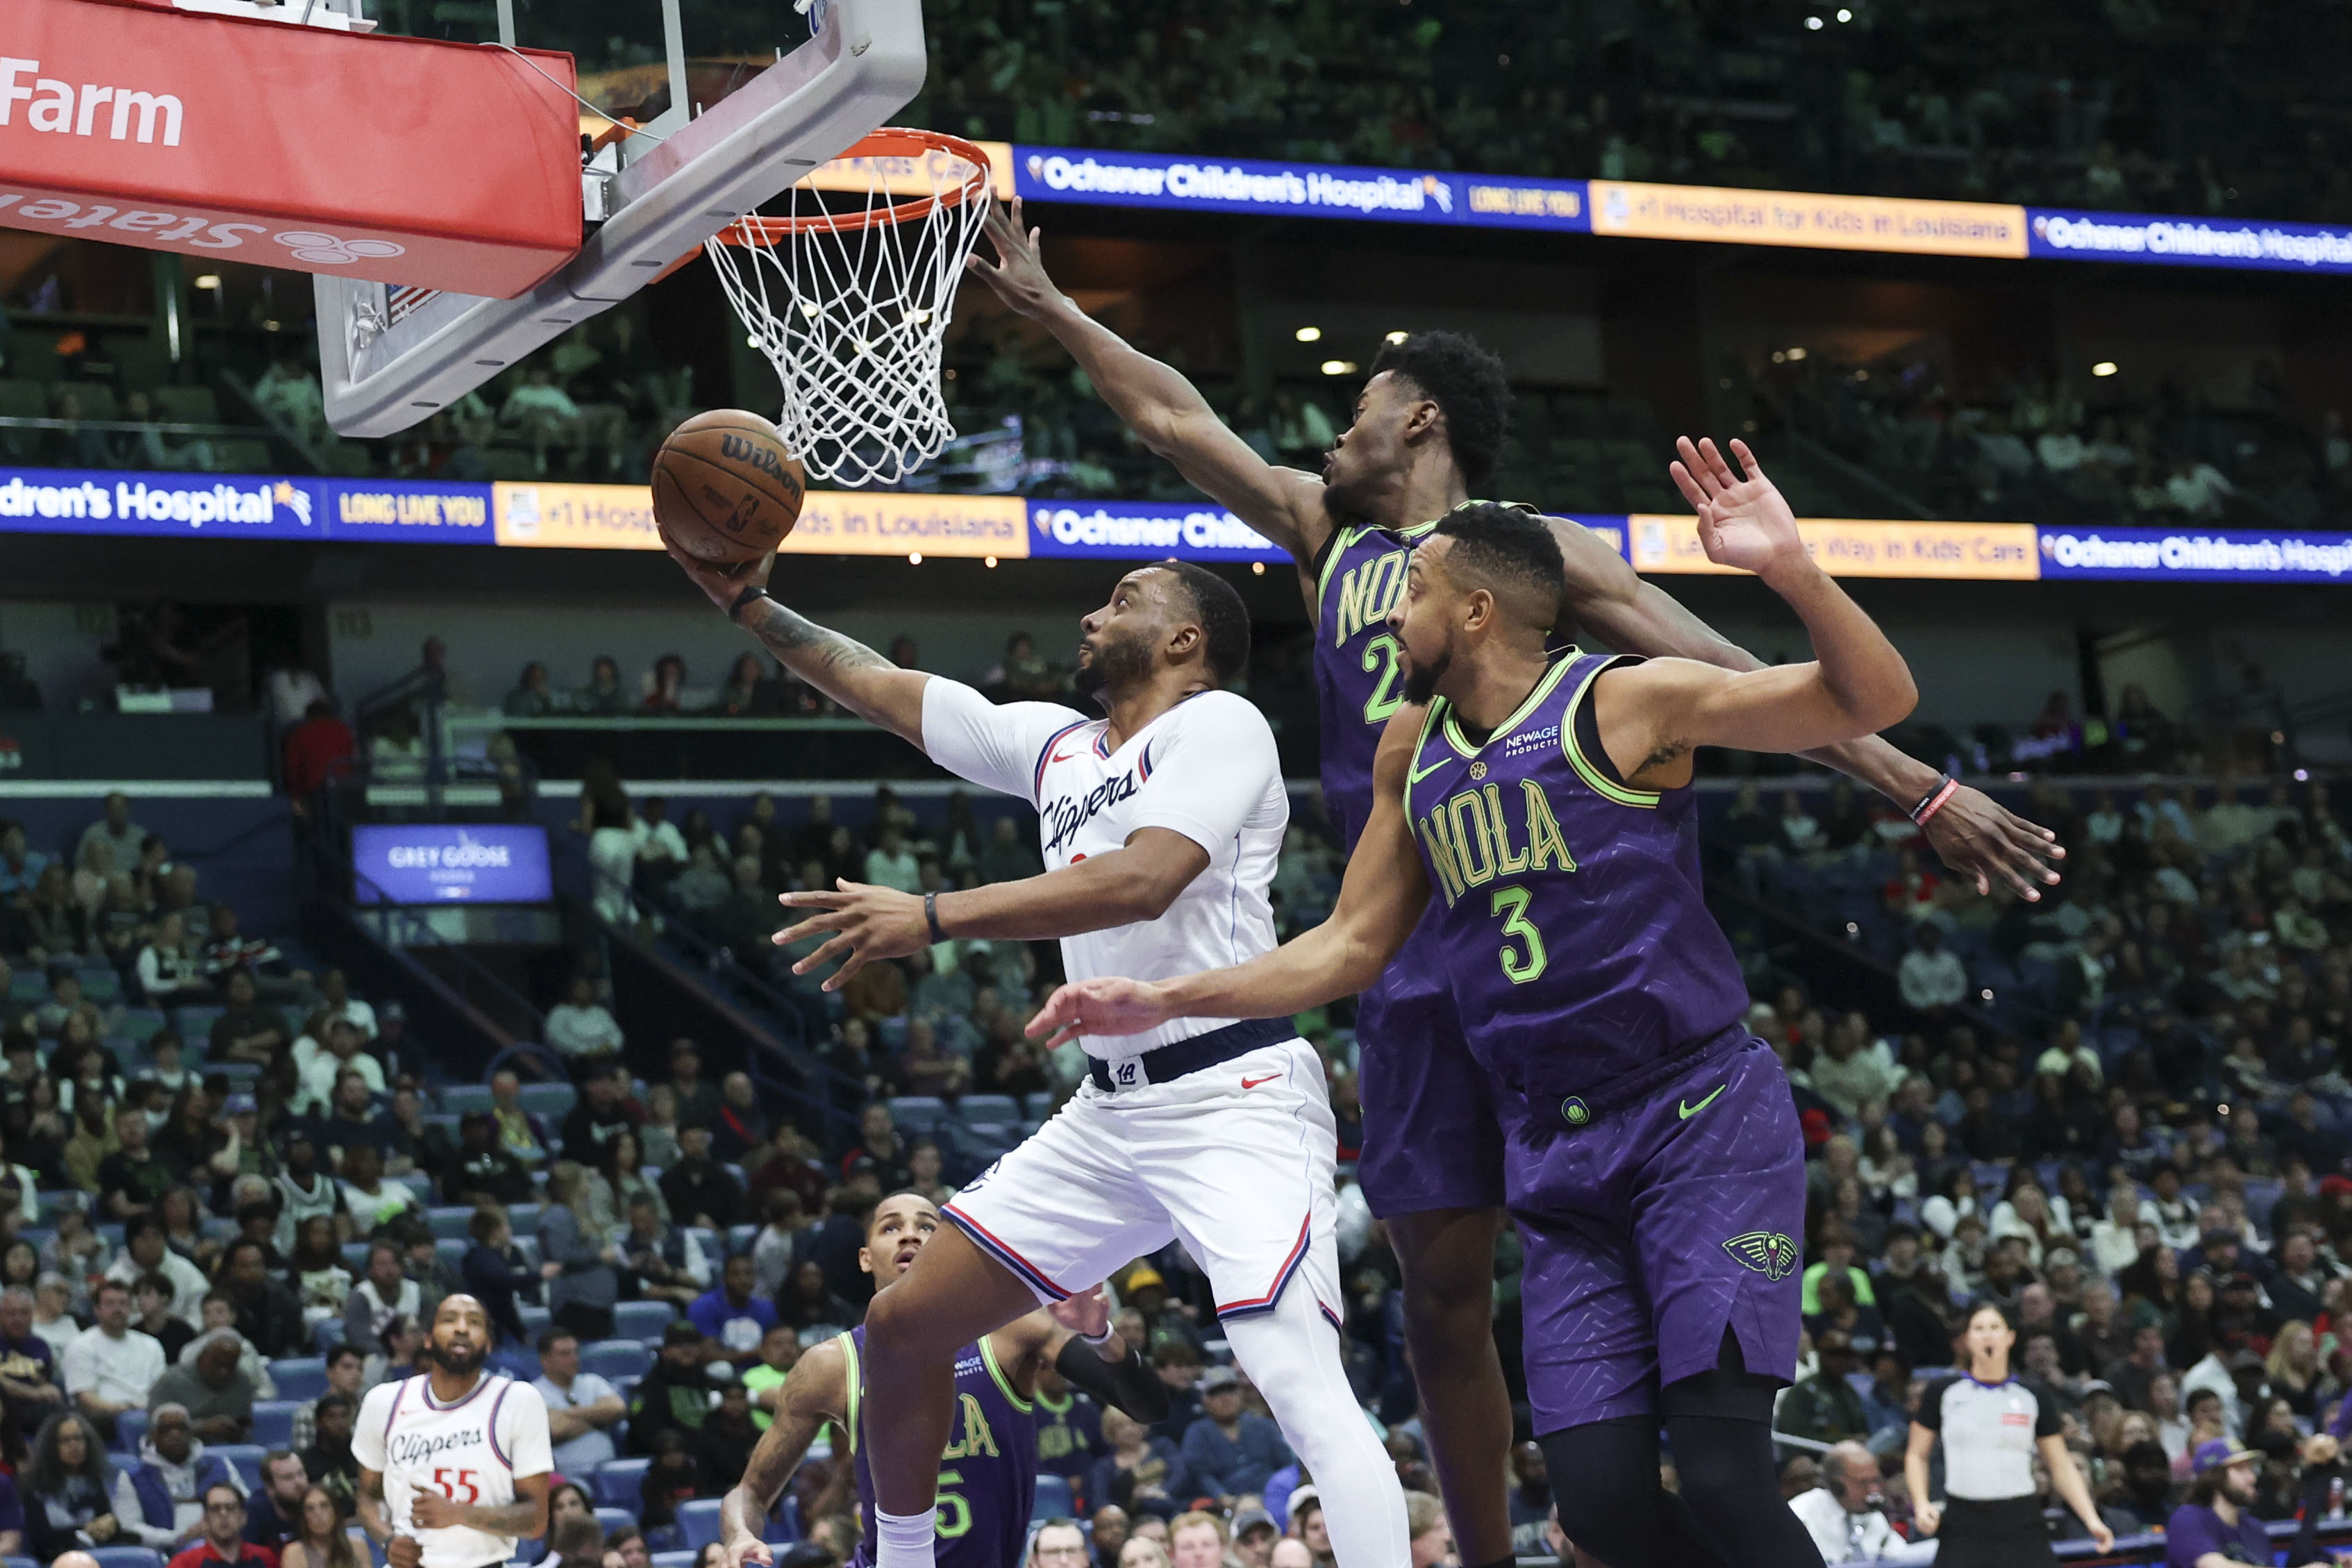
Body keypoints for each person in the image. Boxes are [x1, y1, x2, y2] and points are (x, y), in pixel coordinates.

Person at [967, 199, 2064, 1568]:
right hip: (1408, 922)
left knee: (1679, 1416)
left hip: (1557, 918)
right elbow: (1175, 426)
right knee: (1437, 1287)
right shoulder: (1327, 538)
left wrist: (1919, 788)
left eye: (1359, 408)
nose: (1332, 432)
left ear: (1420, 423)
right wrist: (1057, 309)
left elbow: (1731, 666)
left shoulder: (1535, 560)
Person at [1026, 476, 1919, 1568]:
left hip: (1694, 1118)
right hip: (1552, 1143)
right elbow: (1350, 945)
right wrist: (1163, 997)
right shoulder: (1412, 744)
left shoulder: (1625, 703)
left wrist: (1787, 566)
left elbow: (1868, 697)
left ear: (1477, 612)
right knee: (1595, 1506)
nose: (1386, 618)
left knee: (1727, 1470)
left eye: (1409, 590)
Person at [673, 526, 1401, 1568]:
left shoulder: (1220, 725)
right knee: (903, 1327)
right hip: (1109, 1110)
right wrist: (747, 601)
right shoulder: (1059, 748)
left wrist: (930, 913)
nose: (1091, 614)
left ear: (1184, 637)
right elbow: (877, 684)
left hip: (1230, 1089)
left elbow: (1142, 877)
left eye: (1121, 596)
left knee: (1296, 1377)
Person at [714, 1192, 1171, 1568]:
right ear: (864, 1258)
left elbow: (1150, 1407)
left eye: (926, 1226)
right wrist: (738, 1536)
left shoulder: (1012, 1330)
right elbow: (750, 1492)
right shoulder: (831, 1364)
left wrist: (1099, 1334)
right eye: (890, 1226)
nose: (909, 1233)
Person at [1905, 1303, 2114, 1566]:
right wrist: (1921, 1502)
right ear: (1967, 1339)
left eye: (1995, 1328)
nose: (1988, 1336)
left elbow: (2060, 1464)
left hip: (2021, 1520)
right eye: (1979, 1329)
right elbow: (1917, 1454)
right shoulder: (1943, 1392)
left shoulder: (2032, 1394)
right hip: (1963, 1523)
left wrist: (2091, 1519)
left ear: (2010, 1337)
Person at [353, 1295, 553, 1568]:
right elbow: (368, 1496)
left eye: (474, 1322)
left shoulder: (517, 1400)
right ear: (428, 1339)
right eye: (449, 1319)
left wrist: (458, 1513)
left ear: (489, 1343)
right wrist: (388, 1540)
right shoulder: (383, 1402)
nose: (462, 1328)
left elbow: (536, 1519)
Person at [115, 1400, 247, 1546]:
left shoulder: (220, 1465)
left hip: (222, 1545)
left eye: (181, 1428)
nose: (175, 1434)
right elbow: (130, 1527)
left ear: (191, 1433)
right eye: (166, 1429)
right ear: (153, 1436)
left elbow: (245, 1507)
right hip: (165, 1554)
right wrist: (178, 1538)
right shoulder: (133, 1477)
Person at [63, 1278, 166, 1428]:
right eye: (110, 1304)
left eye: (123, 1303)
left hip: (148, 1415)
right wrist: (126, 1409)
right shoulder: (80, 1345)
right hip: (104, 1419)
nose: (117, 1309)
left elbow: (160, 1392)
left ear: (131, 1309)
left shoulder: (151, 1345)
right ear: (97, 1310)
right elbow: (85, 1397)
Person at [1181, 1366, 1290, 1504]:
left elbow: (1286, 1465)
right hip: (1226, 1505)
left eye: (1230, 1390)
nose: (1225, 1398)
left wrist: (1280, 1491)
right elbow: (1201, 1476)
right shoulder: (1197, 1433)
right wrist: (1223, 1498)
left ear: (1240, 1394)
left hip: (1276, 1497)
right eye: (1216, 1393)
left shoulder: (1264, 1426)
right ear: (1205, 1400)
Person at [24, 1410, 125, 1555]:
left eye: (79, 1438)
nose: (75, 1446)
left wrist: (111, 1524)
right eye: (65, 1441)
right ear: (51, 1447)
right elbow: (41, 1538)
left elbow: (105, 1520)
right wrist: (83, 1531)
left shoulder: (94, 1480)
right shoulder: (34, 1486)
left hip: (96, 1555)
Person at [1787, 1442, 1900, 1564]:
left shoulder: (1872, 1514)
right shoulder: (1801, 1515)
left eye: (1876, 1480)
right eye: (1863, 1482)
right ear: (1837, 1485)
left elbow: (1902, 1556)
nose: (1874, 1490)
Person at [533, 1331, 625, 1474]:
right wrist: (601, 1419)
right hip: (568, 1476)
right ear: (545, 1360)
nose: (574, 1359)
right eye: (565, 1354)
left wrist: (566, 1413)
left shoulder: (593, 1381)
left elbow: (618, 1408)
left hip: (608, 1470)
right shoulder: (534, 1391)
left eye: (575, 1352)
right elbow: (556, 1429)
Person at [151, 1329, 256, 1445]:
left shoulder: (242, 1382)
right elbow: (156, 1427)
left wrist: (236, 1428)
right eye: (218, 1363)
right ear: (202, 1357)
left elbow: (246, 1426)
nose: (224, 1372)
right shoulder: (171, 1381)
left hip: (228, 1447)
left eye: (230, 1366)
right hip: (180, 1450)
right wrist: (203, 1427)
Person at [689, 1253, 780, 1363]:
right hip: (721, 1375)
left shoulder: (767, 1308)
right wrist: (752, 1353)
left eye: (749, 1273)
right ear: (725, 1278)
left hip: (760, 1371)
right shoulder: (704, 1306)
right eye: (736, 1274)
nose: (744, 1280)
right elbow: (708, 1355)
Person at [165, 1483, 276, 1568]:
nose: (224, 1515)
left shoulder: (264, 1558)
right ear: (205, 1519)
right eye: (215, 1509)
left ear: (243, 1517)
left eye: (231, 1508)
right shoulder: (185, 1563)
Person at [278, 1483, 361, 1568]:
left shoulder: (358, 1546)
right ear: (303, 1517)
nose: (318, 1514)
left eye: (324, 1506)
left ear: (335, 1511)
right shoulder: (294, 1554)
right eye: (310, 1509)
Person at [243, 1453, 309, 1550]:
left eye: (301, 1473)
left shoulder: (316, 1502)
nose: (299, 1482)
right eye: (288, 1478)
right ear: (270, 1488)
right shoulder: (253, 1513)